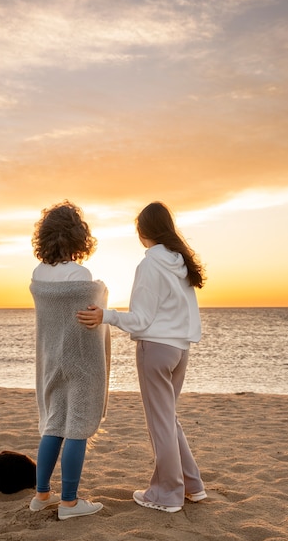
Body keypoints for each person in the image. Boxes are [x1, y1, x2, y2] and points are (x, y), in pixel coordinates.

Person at [77, 201, 206, 513]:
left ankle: (168, 494)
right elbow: (188, 314)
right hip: (180, 349)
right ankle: (192, 485)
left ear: (144, 232)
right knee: (168, 419)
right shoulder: (180, 263)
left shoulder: (150, 264)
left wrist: (105, 315)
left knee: (160, 422)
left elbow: (142, 318)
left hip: (156, 349)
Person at [29, 201, 110, 520]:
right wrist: (102, 291)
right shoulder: (81, 273)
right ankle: (70, 503)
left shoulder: (38, 274)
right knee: (77, 426)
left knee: (54, 424)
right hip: (79, 360)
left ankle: (41, 495)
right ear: (79, 237)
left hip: (51, 359)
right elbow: (92, 312)